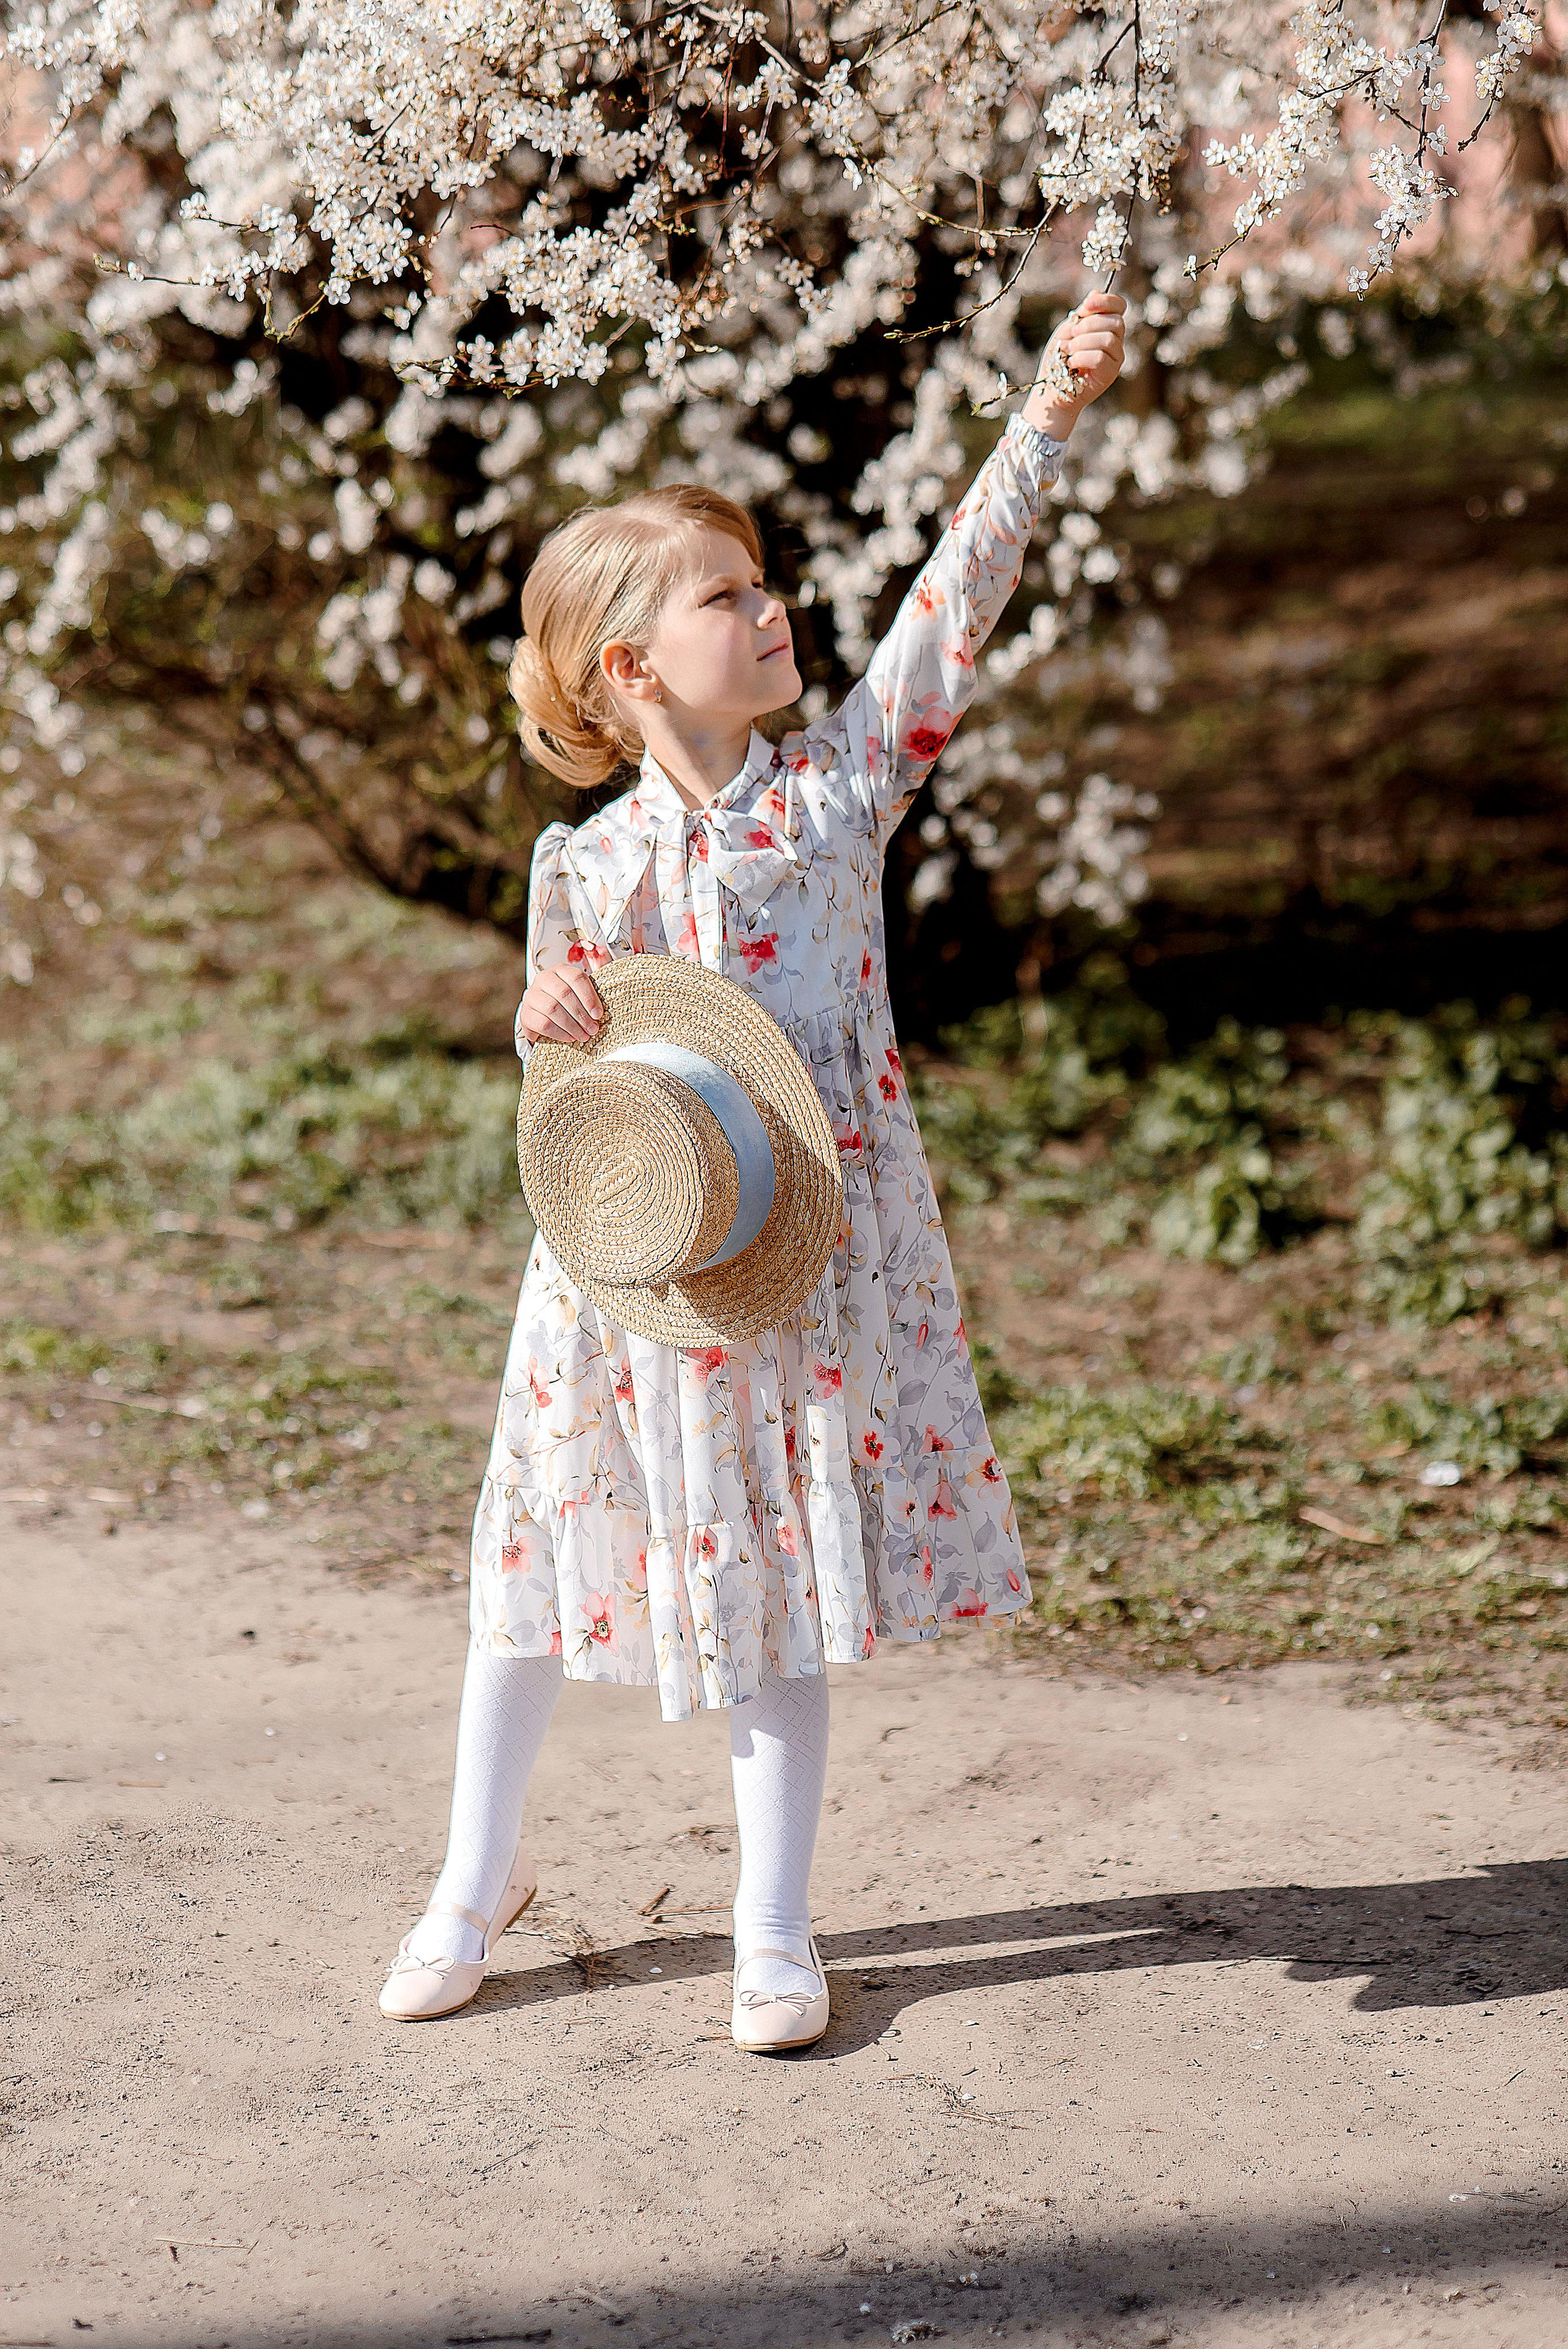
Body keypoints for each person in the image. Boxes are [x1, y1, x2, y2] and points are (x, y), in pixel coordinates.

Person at [379, 290, 1127, 2050]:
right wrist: (538, 1012)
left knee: (777, 1567)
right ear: (632, 667)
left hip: (795, 1254)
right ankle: (468, 1883)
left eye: (761, 578)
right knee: (535, 1569)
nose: (770, 604)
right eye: (725, 594)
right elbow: (564, 1066)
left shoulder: (838, 796)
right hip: (626, 1276)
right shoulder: (583, 858)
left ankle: (772, 1925)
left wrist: (1046, 417)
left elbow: (955, 607)